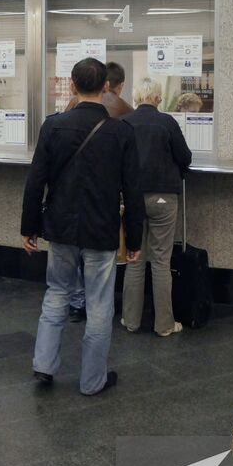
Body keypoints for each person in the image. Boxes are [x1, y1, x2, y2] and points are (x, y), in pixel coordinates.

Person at [21, 57, 144, 395]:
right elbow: (133, 190)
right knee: (100, 303)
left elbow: (35, 182)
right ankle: (92, 381)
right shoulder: (121, 131)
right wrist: (134, 239)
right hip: (101, 230)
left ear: (72, 86)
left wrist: (28, 227)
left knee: (57, 292)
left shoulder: (53, 126)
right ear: (106, 87)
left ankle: (43, 365)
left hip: (59, 227)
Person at [120, 77, 192, 337]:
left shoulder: (124, 123)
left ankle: (131, 320)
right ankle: (164, 325)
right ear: (158, 99)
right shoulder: (167, 122)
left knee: (134, 259)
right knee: (161, 261)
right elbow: (185, 157)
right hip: (163, 197)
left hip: (131, 198)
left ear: (136, 98)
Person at [64, 60, 133, 321]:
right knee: (100, 255)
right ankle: (97, 304)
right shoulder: (126, 112)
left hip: (72, 195)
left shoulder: (72, 107)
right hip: (106, 194)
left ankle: (78, 301)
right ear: (117, 85)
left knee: (76, 252)